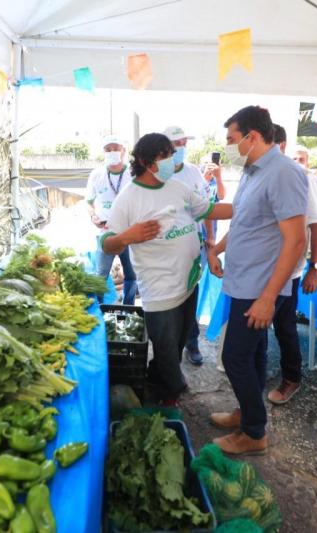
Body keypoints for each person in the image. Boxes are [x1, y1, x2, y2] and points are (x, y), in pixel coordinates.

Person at [101, 133, 233, 405]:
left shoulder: (177, 186)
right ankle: (170, 394)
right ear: (145, 161)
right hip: (160, 291)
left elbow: (208, 210)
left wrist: (248, 206)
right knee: (165, 348)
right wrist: (128, 236)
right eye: (165, 156)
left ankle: (163, 381)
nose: (171, 161)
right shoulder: (128, 199)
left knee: (181, 339)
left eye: (171, 154)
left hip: (188, 283)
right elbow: (107, 244)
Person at [206, 106, 308, 455]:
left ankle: (254, 432)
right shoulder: (253, 171)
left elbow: (297, 240)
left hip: (259, 288)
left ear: (252, 136)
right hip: (244, 279)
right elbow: (244, 220)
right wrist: (216, 248)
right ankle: (247, 411)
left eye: (233, 139)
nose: (231, 146)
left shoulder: (283, 173)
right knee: (252, 355)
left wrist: (268, 297)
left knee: (235, 358)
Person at [266, 135, 317, 404]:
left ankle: (292, 378)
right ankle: (261, 373)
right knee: (267, 326)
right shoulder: (259, 174)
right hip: (262, 268)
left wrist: (315, 267)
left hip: (288, 269)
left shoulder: (301, 177)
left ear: (279, 145)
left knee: (284, 326)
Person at [164, 125, 212, 365]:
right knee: (171, 300)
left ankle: (191, 343)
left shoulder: (194, 172)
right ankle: (170, 348)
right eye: (176, 144)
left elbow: (208, 207)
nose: (181, 148)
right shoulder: (158, 173)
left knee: (191, 293)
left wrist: (211, 240)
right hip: (166, 250)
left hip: (194, 246)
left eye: (184, 143)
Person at [86, 135, 137, 304]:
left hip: (129, 232)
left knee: (132, 275)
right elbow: (89, 202)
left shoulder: (133, 173)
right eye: (108, 149)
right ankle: (101, 310)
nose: (112, 152)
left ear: (123, 151)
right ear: (103, 152)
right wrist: (93, 216)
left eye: (116, 148)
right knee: (100, 276)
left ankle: (128, 308)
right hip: (105, 233)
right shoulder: (96, 174)